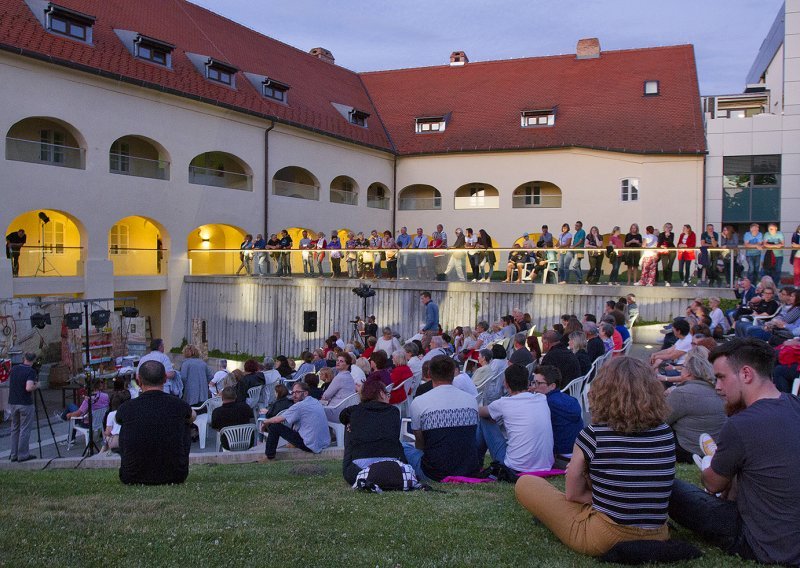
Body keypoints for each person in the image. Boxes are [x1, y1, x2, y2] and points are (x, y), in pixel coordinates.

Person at [516, 357, 675, 557]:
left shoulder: (594, 435)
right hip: (658, 534)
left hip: (606, 536)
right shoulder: (665, 433)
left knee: (526, 483)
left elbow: (572, 495)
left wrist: (605, 498)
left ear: (603, 390)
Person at [669, 339, 800, 566]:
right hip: (791, 533)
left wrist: (712, 464)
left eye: (721, 377)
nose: (717, 387)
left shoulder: (741, 424)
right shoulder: (795, 404)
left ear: (746, 374)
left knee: (670, 487)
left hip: (764, 542)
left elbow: (713, 485)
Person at [116, 360, 195, 484]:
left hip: (132, 476)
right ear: (165, 379)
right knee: (185, 422)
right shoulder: (178, 405)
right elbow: (192, 416)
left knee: (126, 425)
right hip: (175, 475)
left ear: (139, 380)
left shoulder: (126, 408)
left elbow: (118, 420)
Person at [403, 356, 479, 481]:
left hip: (433, 473)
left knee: (404, 446)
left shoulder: (419, 402)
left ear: (429, 374)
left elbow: (420, 443)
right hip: (468, 469)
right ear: (453, 373)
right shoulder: (471, 400)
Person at [477, 364, 553, 477]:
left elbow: (481, 412)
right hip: (544, 465)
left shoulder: (504, 403)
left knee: (484, 420)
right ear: (527, 382)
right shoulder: (541, 398)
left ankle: (476, 463)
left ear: (506, 384)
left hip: (514, 467)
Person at [661, 349, 726, 463]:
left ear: (689, 372)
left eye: (684, 366)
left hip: (688, 449)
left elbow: (661, 420)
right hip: (712, 447)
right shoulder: (716, 390)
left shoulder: (683, 393)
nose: (681, 368)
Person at [339, 377, 406, 485]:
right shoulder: (394, 411)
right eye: (387, 394)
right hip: (392, 467)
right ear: (381, 393)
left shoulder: (354, 411)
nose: (389, 398)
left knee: (349, 425)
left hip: (358, 469)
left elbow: (342, 416)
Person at [529, 365, 583, 468]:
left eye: (538, 383)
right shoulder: (569, 399)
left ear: (552, 386)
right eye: (533, 382)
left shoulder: (547, 403)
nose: (534, 386)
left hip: (561, 459)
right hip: (577, 454)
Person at [261, 381, 331, 460]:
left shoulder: (300, 406)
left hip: (309, 445)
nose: (294, 395)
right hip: (323, 443)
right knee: (294, 420)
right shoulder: (315, 401)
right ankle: (292, 444)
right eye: (293, 392)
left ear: (305, 393)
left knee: (274, 426)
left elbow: (277, 420)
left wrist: (265, 422)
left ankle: (269, 457)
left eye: (297, 392)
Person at [7, 352, 39, 462]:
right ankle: (23, 454)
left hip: (13, 402)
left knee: (15, 429)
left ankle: (13, 454)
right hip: (25, 403)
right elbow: (29, 387)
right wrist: (37, 385)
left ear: (23, 358)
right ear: (33, 360)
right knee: (25, 429)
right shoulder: (30, 371)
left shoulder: (14, 369)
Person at [320, 355, 356, 420]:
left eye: (341, 361)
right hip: (346, 409)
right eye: (337, 360)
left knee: (313, 409)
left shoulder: (339, 377)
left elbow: (326, 395)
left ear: (347, 365)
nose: (338, 362)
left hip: (336, 410)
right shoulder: (349, 377)